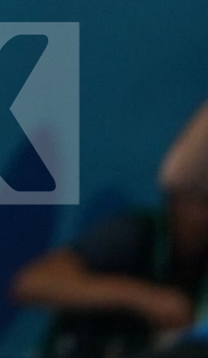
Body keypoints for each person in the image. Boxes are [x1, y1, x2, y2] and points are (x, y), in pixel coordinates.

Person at [14, 99, 208, 357]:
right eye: (198, 199)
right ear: (173, 200)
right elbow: (32, 282)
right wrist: (144, 298)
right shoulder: (134, 234)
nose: (203, 213)